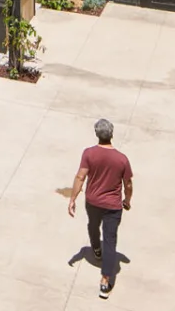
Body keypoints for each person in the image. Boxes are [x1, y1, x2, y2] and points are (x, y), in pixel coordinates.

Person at [67, 117, 133, 299]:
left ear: (97, 134)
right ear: (112, 134)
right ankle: (105, 281)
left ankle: (96, 249)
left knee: (92, 226)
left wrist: (73, 199)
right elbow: (127, 184)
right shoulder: (122, 159)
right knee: (110, 240)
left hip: (93, 202)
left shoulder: (89, 154)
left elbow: (80, 177)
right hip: (113, 206)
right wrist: (127, 200)